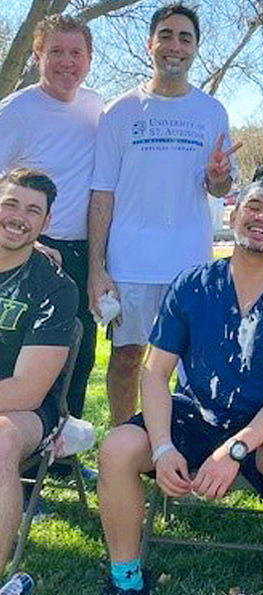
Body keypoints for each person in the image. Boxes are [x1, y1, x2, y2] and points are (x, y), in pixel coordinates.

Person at [95, 166, 263, 595]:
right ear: (234, 214)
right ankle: (126, 579)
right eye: (254, 206)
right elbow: (155, 372)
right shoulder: (192, 285)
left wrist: (233, 450)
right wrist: (162, 449)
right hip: (195, 414)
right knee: (117, 447)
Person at [89, 2, 239, 425]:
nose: (175, 46)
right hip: (130, 264)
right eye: (167, 36)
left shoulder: (212, 111)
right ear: (150, 45)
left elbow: (221, 187)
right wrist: (97, 268)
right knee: (126, 360)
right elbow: (101, 193)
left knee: (187, 366)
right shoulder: (119, 111)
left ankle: (178, 446)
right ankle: (123, 444)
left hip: (189, 265)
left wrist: (218, 178)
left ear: (195, 48)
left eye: (185, 38)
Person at [0, 14, 102, 423]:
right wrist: (31, 241)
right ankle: (21, 435)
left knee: (81, 353)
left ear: (89, 59)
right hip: (31, 250)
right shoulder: (16, 111)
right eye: (56, 51)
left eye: (76, 53)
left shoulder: (96, 106)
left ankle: (62, 445)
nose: (67, 62)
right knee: (26, 355)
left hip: (83, 250)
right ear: (37, 55)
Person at [0, 169, 77, 575]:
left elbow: (28, 390)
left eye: (33, 210)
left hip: (26, 410)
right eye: (10, 203)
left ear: (46, 223)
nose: (19, 216)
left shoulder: (54, 288)